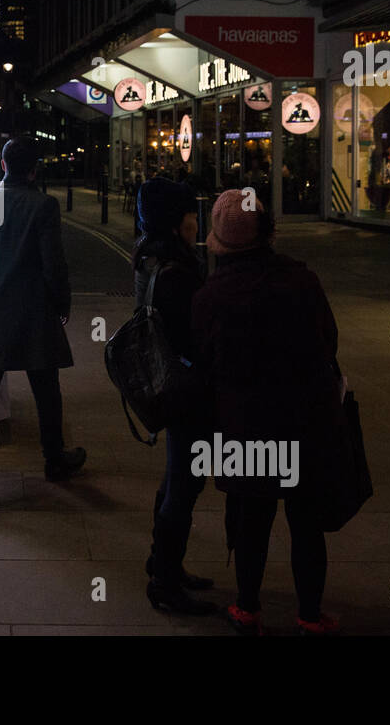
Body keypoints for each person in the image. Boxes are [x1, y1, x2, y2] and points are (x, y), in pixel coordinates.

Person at [191, 189, 342, 636]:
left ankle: (247, 608)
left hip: (246, 426)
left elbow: (204, 364)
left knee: (251, 518)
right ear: (268, 233)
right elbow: (328, 342)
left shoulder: (209, 296)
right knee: (306, 523)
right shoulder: (301, 280)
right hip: (304, 419)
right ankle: (310, 614)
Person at [0, 136, 85, 512]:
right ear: (34, 169)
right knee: (46, 387)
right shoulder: (43, 206)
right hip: (33, 313)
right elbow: (53, 265)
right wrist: (62, 303)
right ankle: (54, 460)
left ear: (2, 166)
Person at [133, 178, 216, 616]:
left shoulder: (148, 256)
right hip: (186, 390)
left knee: (175, 479)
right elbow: (195, 337)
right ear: (176, 218)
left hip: (164, 385)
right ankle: (164, 580)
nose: (195, 220)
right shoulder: (177, 272)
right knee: (183, 485)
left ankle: (163, 564)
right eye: (190, 213)